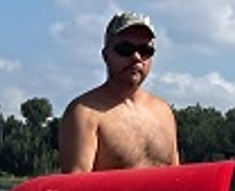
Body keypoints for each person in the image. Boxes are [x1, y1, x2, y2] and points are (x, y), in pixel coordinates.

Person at [58, 11, 180, 173]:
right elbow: (76, 188)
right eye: (125, 49)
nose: (136, 57)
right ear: (106, 55)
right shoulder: (84, 113)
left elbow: (177, 178)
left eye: (145, 50)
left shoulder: (164, 112)